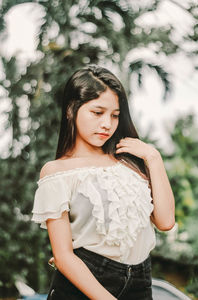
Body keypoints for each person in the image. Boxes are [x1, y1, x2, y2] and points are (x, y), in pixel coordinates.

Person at [32, 65, 175, 300]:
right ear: (71, 110)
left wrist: (153, 157)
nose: (107, 124)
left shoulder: (130, 163)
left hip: (140, 282)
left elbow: (166, 221)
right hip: (84, 284)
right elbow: (63, 256)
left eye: (115, 115)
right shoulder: (56, 172)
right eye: (97, 113)